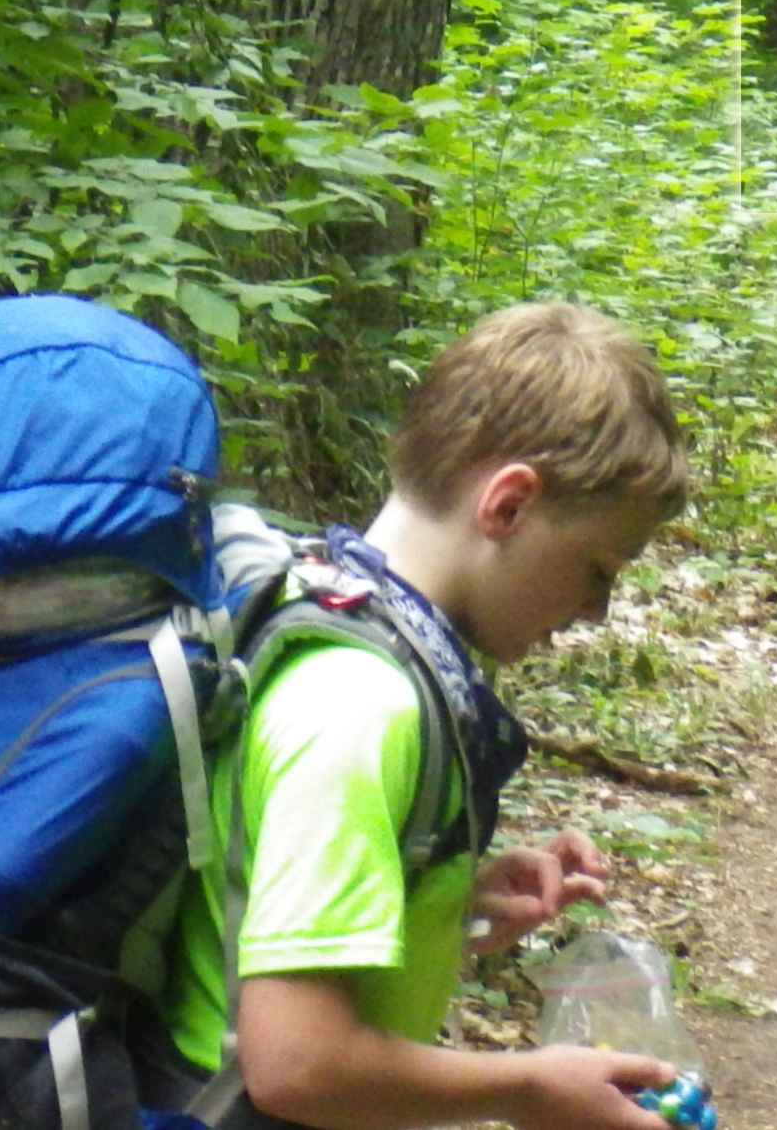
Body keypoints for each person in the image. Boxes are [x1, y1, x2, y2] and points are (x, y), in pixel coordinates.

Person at [158, 301, 693, 1130]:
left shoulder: (324, 594)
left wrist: (445, 898)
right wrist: (527, 1086)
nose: (597, 610)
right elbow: (296, 1065)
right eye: (596, 567)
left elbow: (259, 897)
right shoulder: (359, 705)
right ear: (508, 506)